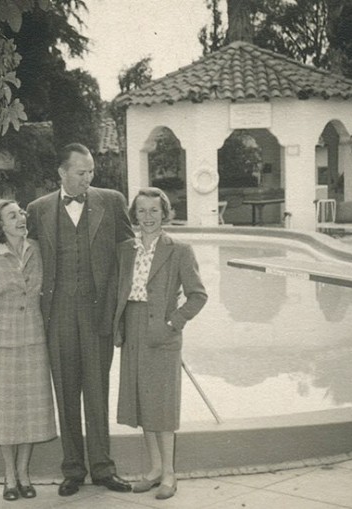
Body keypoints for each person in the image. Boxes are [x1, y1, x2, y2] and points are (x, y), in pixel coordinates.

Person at [26, 143, 134, 496]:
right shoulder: (38, 209)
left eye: (91, 172)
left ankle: (103, 468)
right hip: (57, 316)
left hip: (98, 313)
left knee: (98, 391)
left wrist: (124, 308)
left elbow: (131, 255)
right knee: (66, 392)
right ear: (62, 172)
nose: (88, 178)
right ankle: (72, 469)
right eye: (81, 172)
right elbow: (26, 261)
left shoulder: (112, 201)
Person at [112, 187, 207, 500]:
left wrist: (174, 323)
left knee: (162, 407)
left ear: (165, 214)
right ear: (134, 215)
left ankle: (169, 473)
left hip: (161, 332)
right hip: (133, 331)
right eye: (142, 211)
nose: (148, 217)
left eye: (154, 211)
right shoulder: (126, 248)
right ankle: (153, 470)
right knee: (142, 402)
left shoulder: (179, 250)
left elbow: (198, 295)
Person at [0, 199, 57, 502]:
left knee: (31, 412)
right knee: (7, 415)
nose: (21, 217)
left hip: (35, 342)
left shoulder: (36, 249)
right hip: (2, 345)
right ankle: (9, 476)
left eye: (21, 213)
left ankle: (24, 473)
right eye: (13, 215)